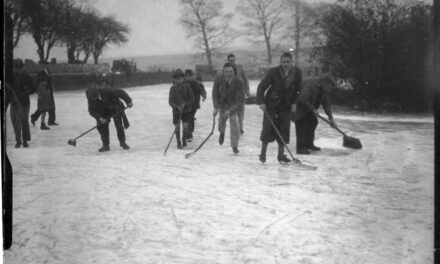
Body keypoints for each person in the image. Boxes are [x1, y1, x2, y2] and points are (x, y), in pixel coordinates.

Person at [256, 52, 302, 163]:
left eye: (287, 62)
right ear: (280, 62)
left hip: (286, 106)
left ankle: (281, 155)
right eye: (283, 62)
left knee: (284, 130)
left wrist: (295, 103)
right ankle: (263, 153)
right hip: (271, 104)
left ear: (292, 62)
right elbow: (262, 87)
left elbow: (299, 90)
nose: (285, 64)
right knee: (267, 128)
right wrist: (261, 102)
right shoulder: (273, 72)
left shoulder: (296, 73)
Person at [292, 74, 338, 154]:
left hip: (307, 105)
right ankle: (301, 148)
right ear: (324, 83)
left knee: (313, 122)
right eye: (329, 87)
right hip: (296, 103)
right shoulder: (311, 85)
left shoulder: (324, 89)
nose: (329, 90)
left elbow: (326, 104)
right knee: (301, 123)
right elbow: (302, 99)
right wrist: (313, 109)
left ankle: (309, 144)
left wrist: (331, 118)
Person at [85, 86, 133, 152]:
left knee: (119, 125)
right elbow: (91, 111)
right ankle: (105, 145)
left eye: (97, 96)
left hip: (115, 107)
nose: (97, 99)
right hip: (103, 111)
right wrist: (100, 118)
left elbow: (121, 92)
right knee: (103, 126)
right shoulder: (90, 98)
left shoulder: (107, 90)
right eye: (95, 98)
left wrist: (129, 101)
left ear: (98, 92)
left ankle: (123, 142)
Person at [212, 62, 245, 154]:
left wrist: (230, 110)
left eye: (230, 72)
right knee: (221, 122)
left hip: (234, 104)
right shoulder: (218, 78)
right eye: (226, 72)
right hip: (223, 103)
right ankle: (222, 132)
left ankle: (234, 146)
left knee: (234, 123)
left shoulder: (239, 81)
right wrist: (215, 107)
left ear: (234, 72)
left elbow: (240, 100)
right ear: (223, 71)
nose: (228, 74)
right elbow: (214, 92)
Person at [9, 60, 37, 147]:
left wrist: (27, 91)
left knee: (24, 121)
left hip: (25, 102)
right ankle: (18, 141)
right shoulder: (11, 78)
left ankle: (25, 140)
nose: (18, 70)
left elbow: (33, 88)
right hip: (14, 102)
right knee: (15, 122)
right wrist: (11, 96)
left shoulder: (27, 77)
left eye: (20, 68)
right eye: (17, 68)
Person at [169, 69, 195, 149]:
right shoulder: (172, 88)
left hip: (186, 111)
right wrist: (176, 107)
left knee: (185, 126)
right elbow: (170, 101)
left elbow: (192, 98)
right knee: (177, 128)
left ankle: (184, 139)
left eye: (180, 78)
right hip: (176, 112)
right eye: (177, 78)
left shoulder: (187, 87)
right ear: (174, 79)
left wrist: (185, 104)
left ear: (183, 78)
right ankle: (178, 141)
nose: (179, 80)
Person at [227, 54, 250, 135]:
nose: (232, 62)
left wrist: (247, 89)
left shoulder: (240, 67)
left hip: (240, 93)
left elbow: (245, 78)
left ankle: (240, 128)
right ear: (228, 60)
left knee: (241, 112)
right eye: (230, 60)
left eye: (233, 60)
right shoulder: (225, 70)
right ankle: (234, 128)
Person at [184, 69, 206, 141]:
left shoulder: (195, 83)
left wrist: (203, 95)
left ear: (192, 76)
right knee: (188, 118)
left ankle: (189, 133)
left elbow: (201, 90)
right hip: (187, 104)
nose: (189, 78)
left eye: (190, 76)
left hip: (195, 104)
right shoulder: (183, 83)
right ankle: (189, 134)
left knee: (190, 117)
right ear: (185, 76)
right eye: (187, 76)